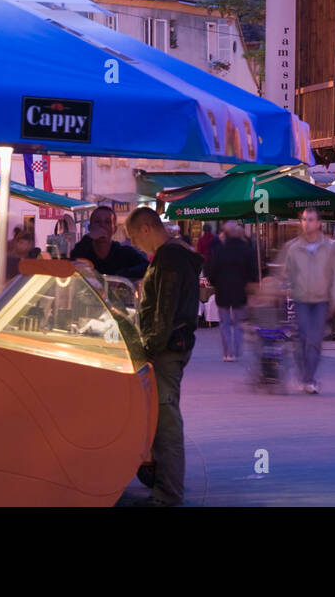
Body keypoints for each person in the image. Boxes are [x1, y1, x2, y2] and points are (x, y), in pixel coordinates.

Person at [125, 206, 202, 507]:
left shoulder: (170, 258)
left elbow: (163, 312)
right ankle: (164, 486)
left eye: (134, 237)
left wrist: (148, 349)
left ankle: (168, 495)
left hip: (167, 350)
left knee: (166, 422)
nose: (134, 244)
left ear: (146, 228)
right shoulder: (174, 254)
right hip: (172, 347)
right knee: (163, 419)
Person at [281, 208, 335, 395]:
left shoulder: (330, 247)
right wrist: (284, 287)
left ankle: (309, 379)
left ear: (318, 224)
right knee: (301, 339)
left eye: (310, 219)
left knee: (315, 340)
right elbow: (287, 272)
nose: (306, 223)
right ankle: (303, 375)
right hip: (300, 299)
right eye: (304, 219)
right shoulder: (293, 248)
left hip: (321, 300)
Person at [205, 220, 257, 361]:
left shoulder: (219, 250)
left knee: (225, 323)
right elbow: (252, 272)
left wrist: (215, 284)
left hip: (222, 291)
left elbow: (211, 271)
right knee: (238, 323)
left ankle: (228, 353)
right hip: (240, 291)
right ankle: (237, 350)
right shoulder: (246, 250)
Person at [71, 206, 149, 279]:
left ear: (114, 229)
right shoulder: (84, 252)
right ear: (90, 228)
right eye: (97, 222)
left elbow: (147, 267)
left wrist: (121, 275)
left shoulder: (124, 253)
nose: (102, 225)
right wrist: (89, 237)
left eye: (107, 222)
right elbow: (71, 260)